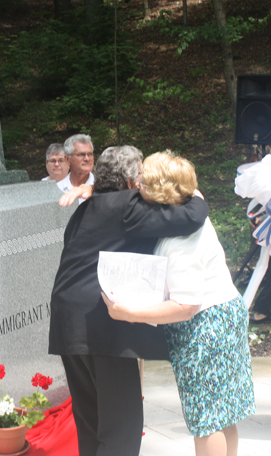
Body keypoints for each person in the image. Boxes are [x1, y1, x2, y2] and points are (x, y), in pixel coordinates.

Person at [49, 146, 209, 456]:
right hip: (103, 322)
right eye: (141, 179)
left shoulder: (88, 205)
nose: (144, 185)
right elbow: (191, 217)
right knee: (122, 426)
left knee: (91, 421)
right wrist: (198, 195)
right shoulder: (128, 205)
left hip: (68, 319)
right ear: (130, 182)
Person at [101, 151, 255, 456]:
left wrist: (128, 313)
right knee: (223, 413)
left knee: (206, 419)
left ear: (158, 189)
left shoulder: (180, 238)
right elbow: (194, 191)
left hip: (206, 327)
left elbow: (186, 305)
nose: (138, 184)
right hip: (225, 313)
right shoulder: (189, 206)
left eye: (143, 179)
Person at [57, 134, 94, 203]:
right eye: (81, 154)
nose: (87, 158)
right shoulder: (58, 188)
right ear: (67, 159)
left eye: (90, 154)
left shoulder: (102, 186)